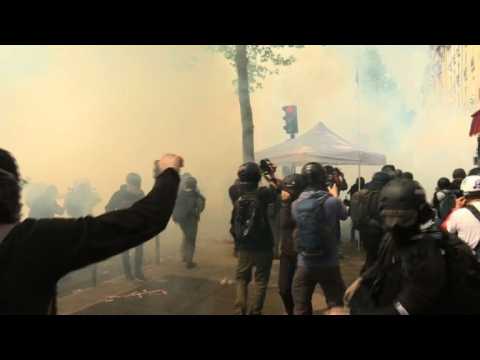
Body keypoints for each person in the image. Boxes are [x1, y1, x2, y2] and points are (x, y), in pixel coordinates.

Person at [0, 149, 183, 314]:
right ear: (12, 192)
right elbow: (144, 218)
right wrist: (168, 172)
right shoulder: (36, 240)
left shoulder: (37, 238)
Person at [346, 178, 448, 315]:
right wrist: (362, 278)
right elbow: (382, 263)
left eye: (404, 219)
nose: (395, 225)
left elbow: (405, 308)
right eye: (389, 217)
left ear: (420, 214)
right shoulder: (392, 236)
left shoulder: (429, 251)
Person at [291, 162, 348, 315]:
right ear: (322, 179)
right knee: (336, 303)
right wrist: (335, 196)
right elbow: (344, 215)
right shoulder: (332, 202)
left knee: (301, 307)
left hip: (304, 263)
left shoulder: (296, 204)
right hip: (329, 262)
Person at [230, 162, 278, 315]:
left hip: (244, 244)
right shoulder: (264, 193)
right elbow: (277, 190)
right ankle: (255, 311)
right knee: (261, 280)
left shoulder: (235, 192)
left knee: (242, 278)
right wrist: (270, 175)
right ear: (257, 177)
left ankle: (239, 309)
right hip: (263, 244)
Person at [105, 173, 146, 281]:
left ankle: (138, 272)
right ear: (128, 184)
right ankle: (128, 274)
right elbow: (108, 208)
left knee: (139, 250)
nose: (136, 188)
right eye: (134, 185)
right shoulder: (119, 194)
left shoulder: (141, 194)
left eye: (137, 185)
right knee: (125, 251)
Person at [351, 171, 392, 274]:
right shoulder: (382, 195)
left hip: (364, 231)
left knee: (371, 256)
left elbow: (355, 216)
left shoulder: (360, 194)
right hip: (379, 232)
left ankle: (366, 278)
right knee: (378, 258)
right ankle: (368, 280)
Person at [277, 173, 306, 315]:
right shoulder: (285, 203)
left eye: (290, 190)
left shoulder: (305, 204)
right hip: (287, 253)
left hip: (303, 255)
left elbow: (286, 223)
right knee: (283, 289)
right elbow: (283, 225)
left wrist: (285, 203)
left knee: (301, 293)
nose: (287, 193)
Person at [64, 180, 101, 286]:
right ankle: (93, 276)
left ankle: (74, 270)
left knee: (75, 247)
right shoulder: (88, 196)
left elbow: (67, 208)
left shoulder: (73, 196)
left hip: (77, 224)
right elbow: (98, 198)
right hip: (88, 224)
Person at [172, 176, 206, 269]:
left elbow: (174, 206)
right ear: (195, 185)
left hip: (181, 220)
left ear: (185, 184)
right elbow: (200, 207)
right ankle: (189, 262)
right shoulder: (196, 195)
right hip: (191, 220)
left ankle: (184, 256)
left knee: (186, 236)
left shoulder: (180, 194)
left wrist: (176, 217)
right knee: (191, 240)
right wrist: (196, 212)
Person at [444, 175, 480, 260]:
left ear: (464, 195)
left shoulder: (458, 214)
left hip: (473, 263)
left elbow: (445, 231)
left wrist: (455, 210)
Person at [347, 177, 365, 244]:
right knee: (355, 224)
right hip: (355, 207)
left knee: (357, 224)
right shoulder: (355, 188)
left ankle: (358, 240)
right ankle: (353, 239)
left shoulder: (361, 187)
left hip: (356, 207)